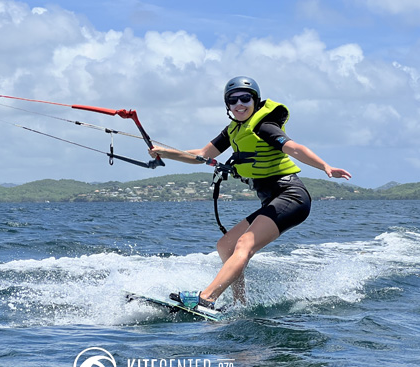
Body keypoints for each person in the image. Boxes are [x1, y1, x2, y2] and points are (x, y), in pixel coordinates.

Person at [148, 76, 352, 310]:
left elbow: (295, 148)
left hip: (292, 197)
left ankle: (207, 298)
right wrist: (165, 153)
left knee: (245, 243)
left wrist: (325, 166)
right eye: (232, 101)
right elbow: (202, 155)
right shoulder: (233, 130)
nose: (239, 105)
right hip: (273, 201)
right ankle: (239, 303)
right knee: (226, 245)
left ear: (254, 100)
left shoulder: (264, 126)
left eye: (245, 98)